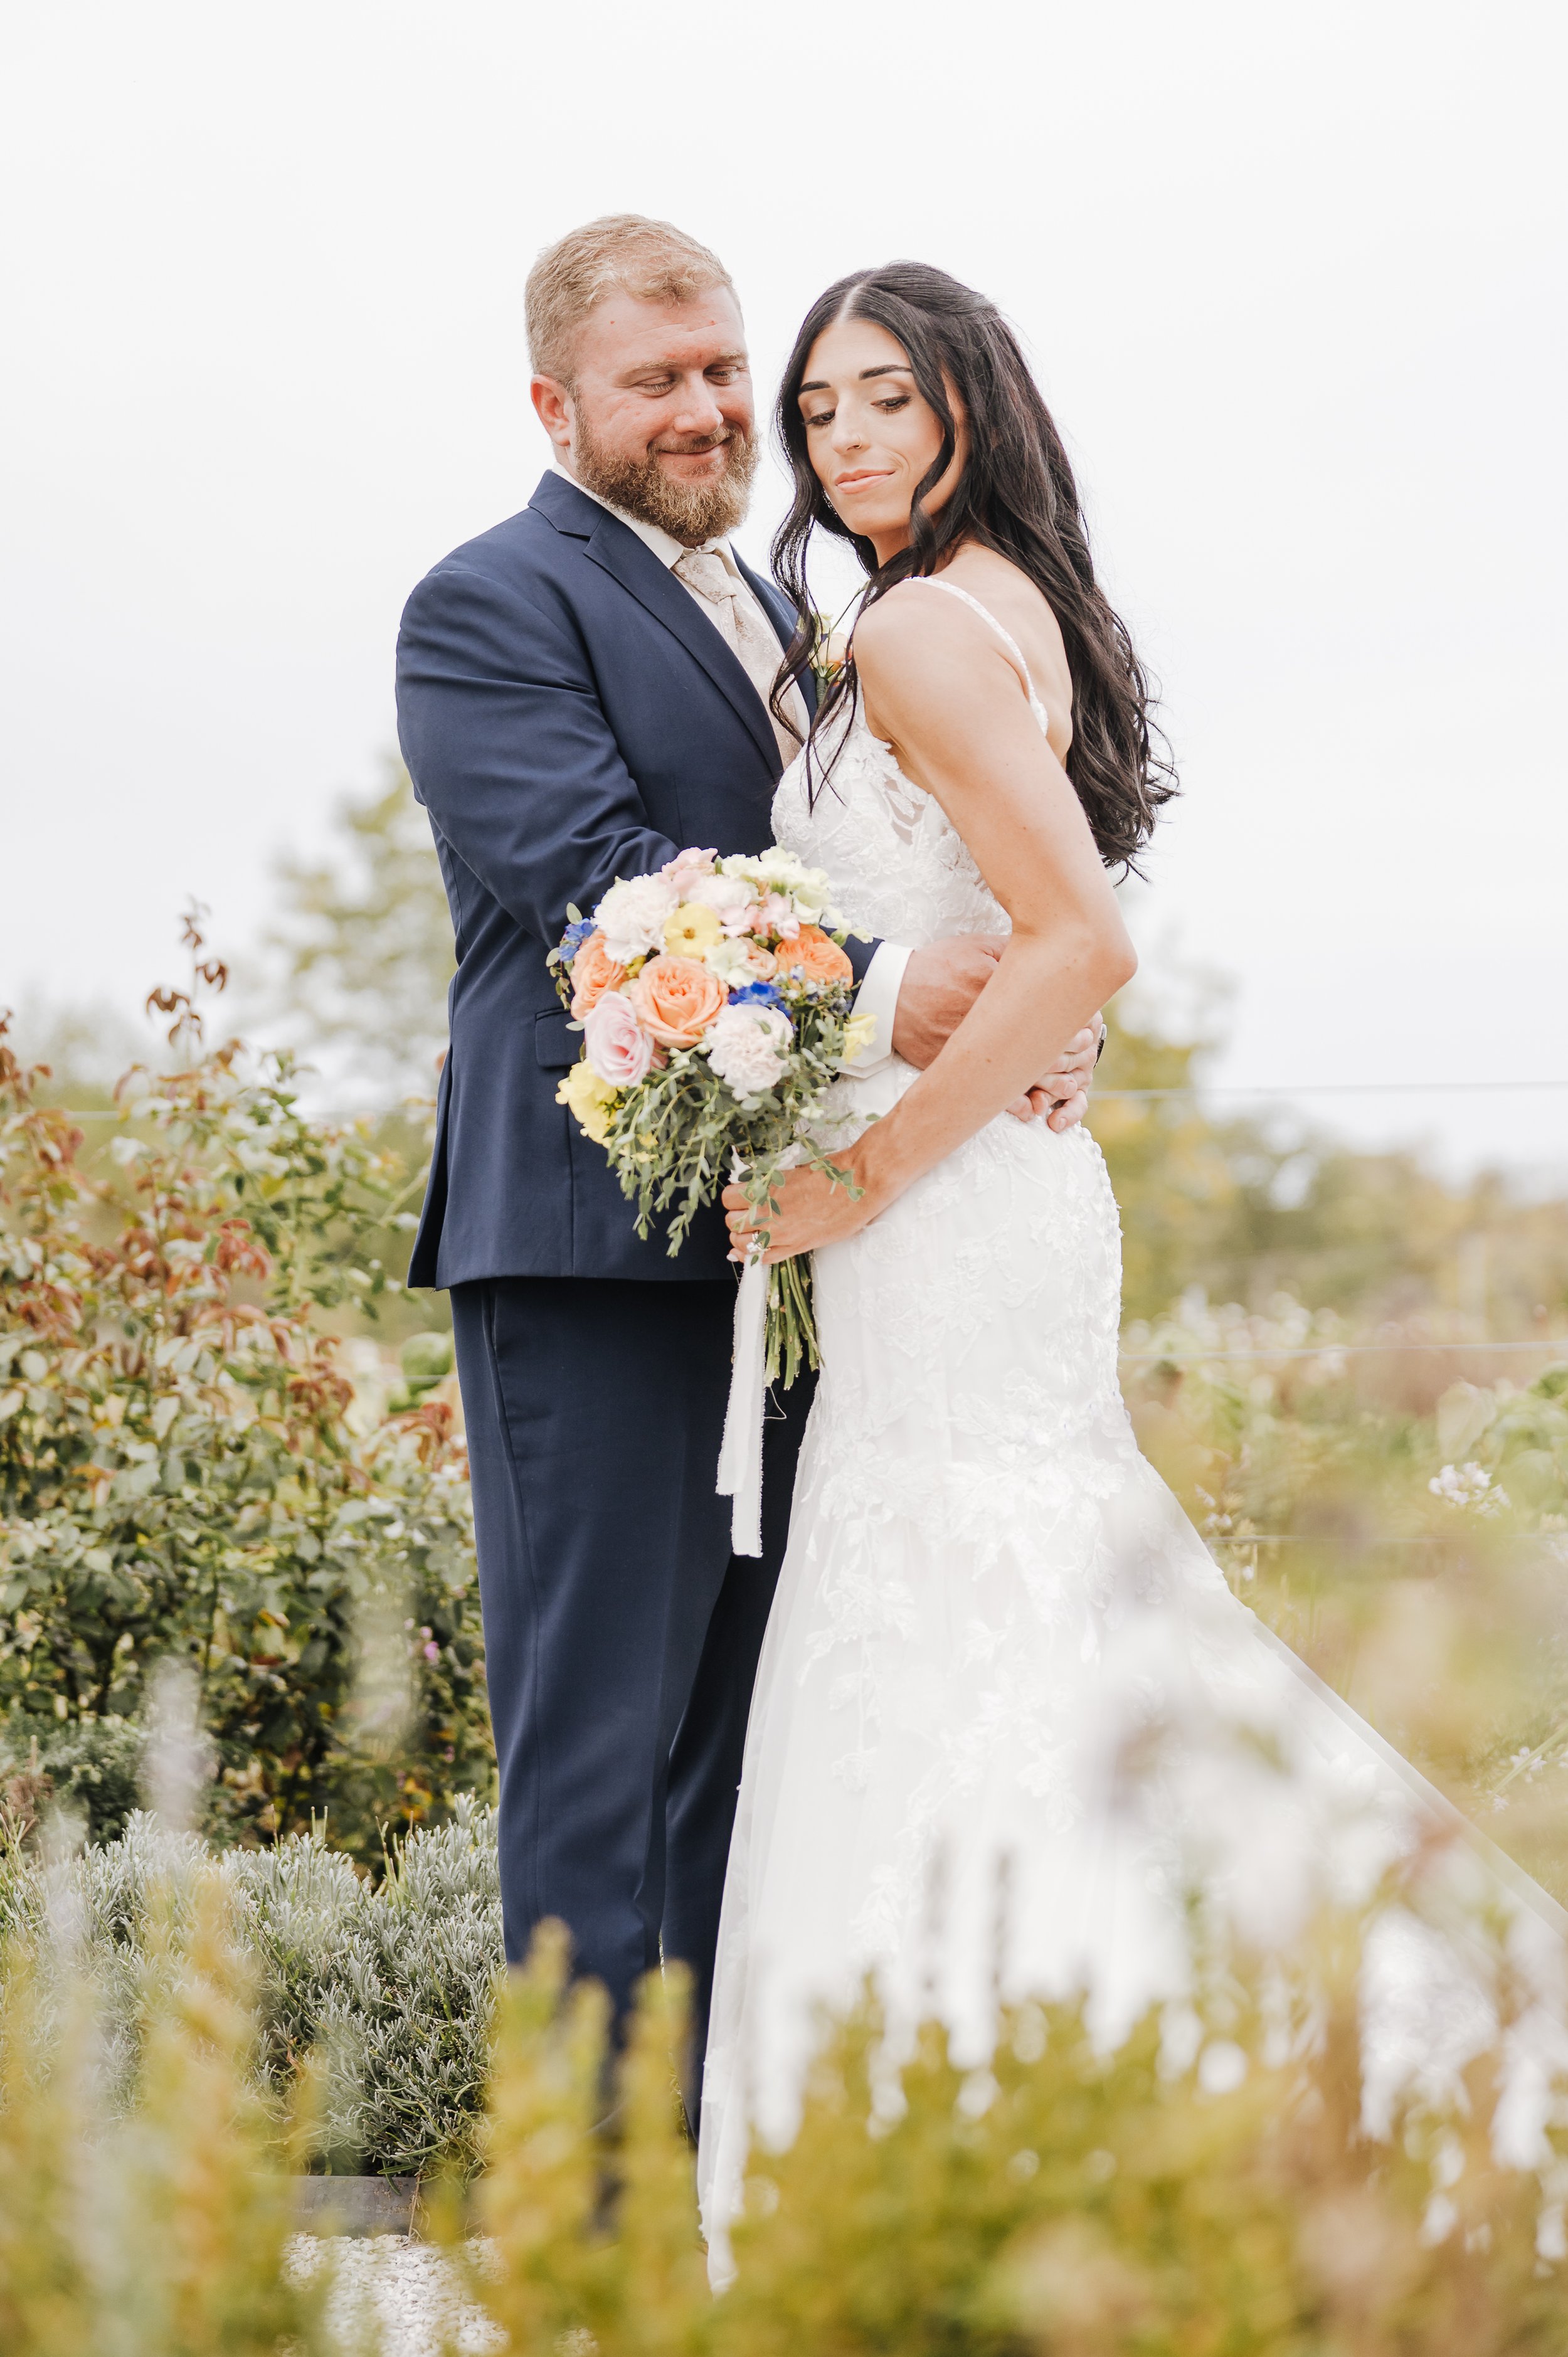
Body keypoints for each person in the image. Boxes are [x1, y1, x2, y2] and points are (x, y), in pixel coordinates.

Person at [698, 260, 1565, 2267]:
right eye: (817, 410)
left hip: (947, 1207)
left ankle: (974, 2133)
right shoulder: (995, 609)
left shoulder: (918, 623)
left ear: (972, 409)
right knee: (1027, 1608)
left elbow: (1082, 943)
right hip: (995, 1205)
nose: (841, 440)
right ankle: (1095, 2100)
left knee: (959, 1603)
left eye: (885, 400)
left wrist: (862, 1178)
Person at [393, 217, 1102, 2116]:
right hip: (593, 1251)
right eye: (663, 381)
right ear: (557, 406)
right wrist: (902, 989)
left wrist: (1042, 995)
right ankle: (583, 2218)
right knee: (600, 1748)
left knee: (754, 1750)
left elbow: (974, 859)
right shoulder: (487, 604)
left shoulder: (799, 612)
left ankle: (710, 2192)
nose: (714, 412)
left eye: (727, 373)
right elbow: (602, 892)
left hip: (812, 1269)